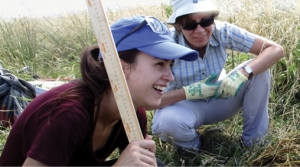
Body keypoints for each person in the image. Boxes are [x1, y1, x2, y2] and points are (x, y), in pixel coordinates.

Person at [0, 15, 198, 166]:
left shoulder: (132, 113)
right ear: (119, 67)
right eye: (159, 64)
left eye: (170, 66)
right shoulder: (68, 114)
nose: (170, 77)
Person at [151, 0, 285, 155]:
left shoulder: (221, 31)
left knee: (258, 70)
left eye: (206, 21)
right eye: (190, 24)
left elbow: (275, 49)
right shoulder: (166, 44)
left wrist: (244, 73)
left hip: (220, 96)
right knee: (167, 123)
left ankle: (254, 143)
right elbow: (145, 101)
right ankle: (193, 151)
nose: (200, 30)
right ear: (179, 25)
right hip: (183, 108)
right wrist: (187, 92)